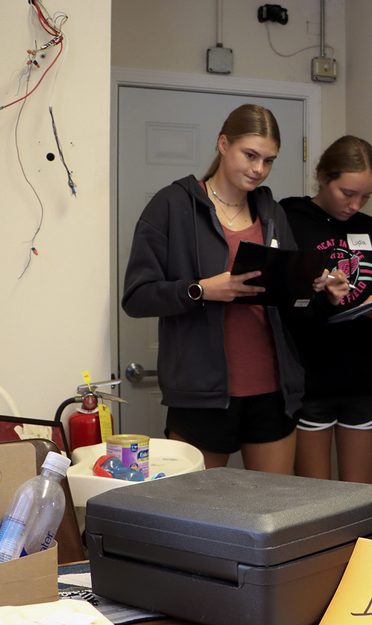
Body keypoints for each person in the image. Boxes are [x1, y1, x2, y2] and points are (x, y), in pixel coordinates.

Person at [121, 104, 348, 474]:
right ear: (223, 144)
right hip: (200, 396)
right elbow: (136, 296)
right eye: (250, 155)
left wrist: (324, 291)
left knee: (273, 516)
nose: (258, 169)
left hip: (273, 392)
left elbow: (293, 304)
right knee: (199, 520)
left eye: (269, 160)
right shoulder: (172, 205)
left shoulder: (272, 213)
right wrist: (200, 291)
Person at [281, 136, 372, 484]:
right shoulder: (290, 221)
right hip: (309, 380)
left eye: (365, 196)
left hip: (364, 379)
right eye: (347, 193)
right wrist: (325, 299)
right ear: (323, 178)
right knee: (314, 501)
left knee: (358, 496)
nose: (355, 204)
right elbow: (280, 307)